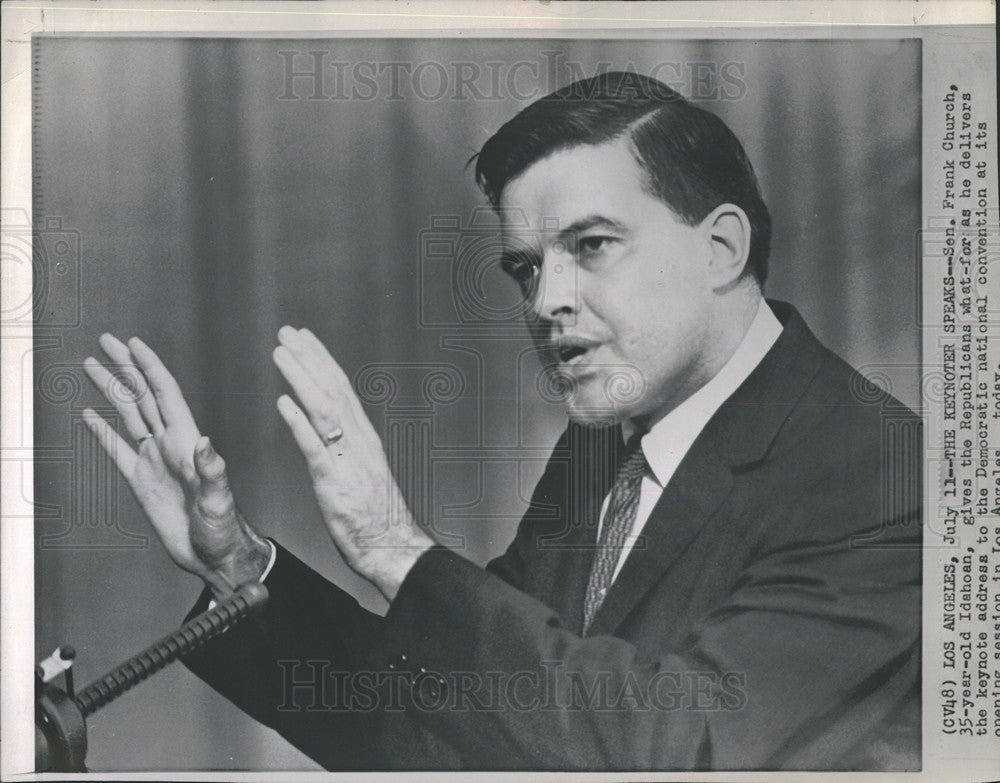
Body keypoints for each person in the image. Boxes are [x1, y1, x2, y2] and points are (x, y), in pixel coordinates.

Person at [81, 72, 921, 771]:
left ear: (722, 248)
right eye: (527, 266)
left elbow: (680, 751)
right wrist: (240, 570)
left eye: (591, 245)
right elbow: (455, 729)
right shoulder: (605, 445)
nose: (546, 299)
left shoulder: (885, 472)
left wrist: (394, 549)